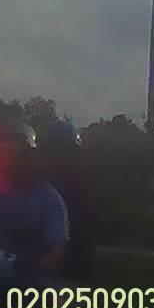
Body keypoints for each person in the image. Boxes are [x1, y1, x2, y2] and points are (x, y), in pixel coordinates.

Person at [0, 118, 70, 284]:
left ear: (30, 158)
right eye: (6, 155)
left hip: (30, 280)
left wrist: (31, 268)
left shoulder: (48, 198)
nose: (12, 162)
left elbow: (57, 247)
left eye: (18, 156)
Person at [42, 120, 95, 282]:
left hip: (69, 268)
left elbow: (82, 235)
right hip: (36, 265)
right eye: (55, 151)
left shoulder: (80, 187)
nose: (59, 157)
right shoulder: (35, 182)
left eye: (64, 151)